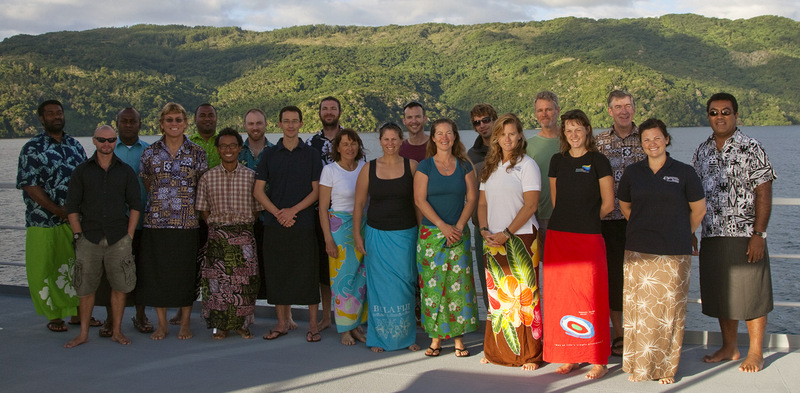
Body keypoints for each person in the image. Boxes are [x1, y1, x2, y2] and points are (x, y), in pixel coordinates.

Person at [692, 92, 777, 373]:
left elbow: (764, 191)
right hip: (712, 234)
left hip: (744, 234)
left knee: (752, 293)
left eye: (726, 112)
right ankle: (729, 347)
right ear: (708, 117)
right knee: (721, 294)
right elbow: (692, 195)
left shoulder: (751, 147)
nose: (720, 117)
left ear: (736, 115)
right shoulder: (702, 151)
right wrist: (692, 229)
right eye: (714, 112)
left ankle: (756, 351)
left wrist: (759, 234)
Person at [617, 118, 706, 383]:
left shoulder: (684, 172)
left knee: (668, 312)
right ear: (640, 143)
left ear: (666, 139)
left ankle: (665, 368)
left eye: (657, 138)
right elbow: (625, 206)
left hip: (673, 252)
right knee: (639, 310)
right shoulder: (633, 173)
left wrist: (680, 232)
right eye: (646, 139)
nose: (652, 143)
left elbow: (699, 210)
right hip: (638, 251)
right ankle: (638, 365)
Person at [543, 109, 614, 379]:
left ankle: (597, 358)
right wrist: (571, 220)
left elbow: (608, 204)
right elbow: (557, 201)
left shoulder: (599, 160)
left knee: (590, 296)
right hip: (559, 237)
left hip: (588, 238)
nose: (573, 134)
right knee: (563, 298)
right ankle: (570, 354)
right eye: (568, 130)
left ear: (587, 130)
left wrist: (585, 220)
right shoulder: (556, 161)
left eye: (578, 129)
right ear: (564, 133)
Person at [64, 125, 141, 348]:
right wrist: (78, 235)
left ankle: (117, 331)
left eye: (111, 140)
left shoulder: (125, 171)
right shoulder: (81, 172)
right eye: (102, 140)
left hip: (119, 238)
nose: (106, 144)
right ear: (94, 141)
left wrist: (129, 235)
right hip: (89, 237)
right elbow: (72, 207)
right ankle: (83, 333)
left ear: (115, 141)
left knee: (120, 287)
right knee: (85, 288)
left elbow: (135, 206)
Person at [477, 113, 543, 370]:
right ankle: (496, 353)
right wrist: (484, 230)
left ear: (519, 136)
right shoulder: (489, 166)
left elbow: (531, 205)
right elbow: (482, 203)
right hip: (492, 239)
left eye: (512, 133)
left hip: (522, 239)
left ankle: (529, 355)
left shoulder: (527, 165)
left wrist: (507, 232)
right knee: (498, 300)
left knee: (525, 299)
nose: (507, 138)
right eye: (502, 134)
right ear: (495, 137)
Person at [138, 102, 208, 340]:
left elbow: (202, 186)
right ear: (161, 124)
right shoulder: (150, 153)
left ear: (186, 123)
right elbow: (148, 183)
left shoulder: (197, 152)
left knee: (185, 274)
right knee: (158, 274)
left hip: (187, 223)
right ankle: (162, 324)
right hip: (156, 222)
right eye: (169, 120)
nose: (174, 124)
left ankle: (185, 323)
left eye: (178, 119)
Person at [16, 99, 87, 333]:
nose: (56, 117)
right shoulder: (32, 148)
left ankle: (78, 314)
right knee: (46, 270)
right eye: (50, 114)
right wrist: (56, 210)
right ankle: (55, 317)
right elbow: (29, 184)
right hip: (43, 221)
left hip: (74, 221)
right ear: (41, 118)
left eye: (59, 112)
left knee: (76, 268)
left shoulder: (75, 145)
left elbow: (86, 179)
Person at [254, 106, 323, 342]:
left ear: (301, 124)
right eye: (286, 121)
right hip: (274, 224)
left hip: (303, 222)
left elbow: (317, 192)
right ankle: (282, 323)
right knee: (278, 273)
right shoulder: (269, 154)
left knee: (308, 272)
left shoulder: (312, 154)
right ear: (280, 124)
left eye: (295, 121)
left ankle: (313, 325)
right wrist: (277, 213)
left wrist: (292, 211)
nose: (291, 125)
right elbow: (258, 190)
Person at [353, 122, 421, 353]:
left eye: (394, 139)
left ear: (401, 141)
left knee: (405, 285)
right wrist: (356, 235)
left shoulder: (412, 166)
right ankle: (379, 338)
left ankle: (407, 336)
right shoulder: (368, 169)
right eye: (386, 139)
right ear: (379, 141)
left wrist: (422, 233)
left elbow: (418, 203)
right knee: (378, 287)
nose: (390, 143)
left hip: (406, 235)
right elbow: (359, 204)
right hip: (376, 235)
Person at [415, 118, 479, 357]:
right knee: (432, 289)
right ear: (433, 137)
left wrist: (459, 226)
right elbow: (419, 200)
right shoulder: (425, 167)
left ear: (455, 136)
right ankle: (435, 339)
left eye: (449, 133)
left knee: (458, 287)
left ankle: (459, 340)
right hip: (432, 236)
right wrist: (442, 226)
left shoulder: (464, 165)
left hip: (458, 235)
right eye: (439, 133)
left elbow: (472, 198)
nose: (444, 137)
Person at [196, 128, 263, 340]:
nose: (228, 150)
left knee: (245, 284)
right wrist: (217, 227)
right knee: (216, 284)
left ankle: (242, 325)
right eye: (223, 146)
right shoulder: (207, 177)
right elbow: (203, 208)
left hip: (243, 236)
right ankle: (221, 325)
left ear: (240, 149)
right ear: (217, 149)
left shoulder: (251, 177)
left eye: (233, 146)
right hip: (217, 236)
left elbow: (257, 209)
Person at [596, 90, 646, 356]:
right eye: (618, 107)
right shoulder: (599, 142)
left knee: (641, 281)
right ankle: (619, 335)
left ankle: (641, 333)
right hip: (610, 223)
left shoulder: (647, 139)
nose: (624, 111)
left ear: (634, 109)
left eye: (628, 105)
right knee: (615, 282)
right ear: (610, 111)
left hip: (643, 223)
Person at [318, 128, 368, 346]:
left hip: (364, 226)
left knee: (361, 279)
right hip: (339, 227)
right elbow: (322, 208)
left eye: (353, 143)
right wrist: (328, 238)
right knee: (341, 280)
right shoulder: (330, 171)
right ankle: (345, 329)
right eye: (345, 144)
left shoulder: (364, 168)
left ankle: (357, 325)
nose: (350, 147)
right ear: (337, 148)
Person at [307, 96, 349, 333]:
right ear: (320, 113)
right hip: (320, 212)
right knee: (324, 268)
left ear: (339, 112)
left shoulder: (350, 139)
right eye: (325, 108)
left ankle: (350, 315)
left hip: (347, 212)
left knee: (349, 266)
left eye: (333, 108)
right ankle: (326, 316)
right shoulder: (311, 143)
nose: (329, 112)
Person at [113, 107, 153, 335]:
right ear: (117, 123)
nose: (128, 125)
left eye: (133, 121)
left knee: (142, 270)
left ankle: (140, 314)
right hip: (115, 224)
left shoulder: (149, 152)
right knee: (113, 270)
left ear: (140, 123)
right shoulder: (108, 149)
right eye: (124, 121)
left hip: (144, 223)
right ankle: (112, 318)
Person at [238, 108, 275, 302]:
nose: (255, 127)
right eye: (251, 123)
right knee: (244, 269)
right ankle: (246, 311)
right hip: (244, 220)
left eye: (259, 123)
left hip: (269, 218)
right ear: (245, 126)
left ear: (266, 124)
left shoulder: (276, 151)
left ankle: (283, 314)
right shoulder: (236, 151)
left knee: (272, 267)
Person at [467, 103, 497, 311]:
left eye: (486, 120)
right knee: (486, 277)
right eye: (477, 123)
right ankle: (490, 323)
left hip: (510, 224)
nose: (482, 125)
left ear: (495, 120)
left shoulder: (509, 146)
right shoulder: (471, 155)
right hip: (482, 226)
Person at [525, 91, 561, 257]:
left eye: (548, 109)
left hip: (569, 216)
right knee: (546, 269)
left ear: (558, 110)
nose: (544, 114)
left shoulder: (571, 140)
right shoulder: (528, 146)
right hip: (540, 217)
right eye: (540, 110)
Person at [189, 103, 221, 169]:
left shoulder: (224, 141)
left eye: (211, 115)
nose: (207, 119)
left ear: (216, 118)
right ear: (195, 119)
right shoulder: (188, 143)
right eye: (202, 116)